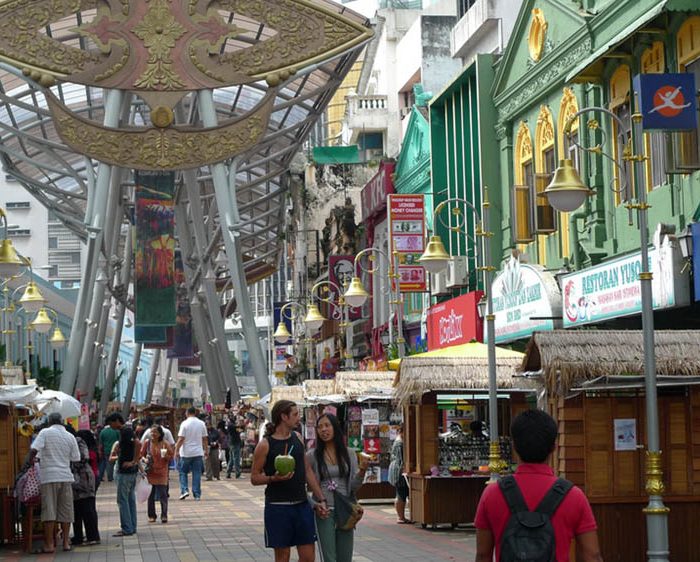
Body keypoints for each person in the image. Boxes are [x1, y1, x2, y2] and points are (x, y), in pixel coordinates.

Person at [474, 409, 603, 562]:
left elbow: (483, 555)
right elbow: (592, 555)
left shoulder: (492, 494)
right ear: (554, 448)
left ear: (514, 446)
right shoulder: (574, 496)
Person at [250, 400, 328, 562]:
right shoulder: (265, 445)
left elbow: (307, 470)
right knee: (283, 556)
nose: (298, 418)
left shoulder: (298, 438)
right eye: (295, 414)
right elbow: (254, 477)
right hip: (278, 507)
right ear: (283, 417)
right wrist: (273, 478)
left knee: (308, 557)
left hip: (301, 505)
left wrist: (321, 499)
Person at [307, 413, 368, 562]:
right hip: (324, 511)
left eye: (327, 425)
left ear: (335, 428)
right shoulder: (312, 455)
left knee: (345, 557)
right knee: (329, 558)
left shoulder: (349, 454)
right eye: (320, 427)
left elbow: (353, 487)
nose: (323, 430)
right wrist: (314, 505)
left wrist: (362, 471)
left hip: (346, 510)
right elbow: (303, 487)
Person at [28, 413, 81, 553]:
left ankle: (50, 545)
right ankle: (65, 543)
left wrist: (28, 462)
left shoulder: (45, 433)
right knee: (66, 510)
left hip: (49, 477)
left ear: (50, 422)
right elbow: (76, 458)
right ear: (62, 422)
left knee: (49, 511)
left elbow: (34, 450)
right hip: (65, 476)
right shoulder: (70, 436)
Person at [110, 426, 141, 537]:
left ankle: (127, 528)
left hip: (124, 474)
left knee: (123, 501)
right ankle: (132, 526)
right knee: (130, 500)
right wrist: (134, 462)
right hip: (132, 473)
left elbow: (111, 458)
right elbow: (138, 444)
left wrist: (132, 462)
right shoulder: (132, 443)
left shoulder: (124, 444)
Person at [71, 429, 100, 546]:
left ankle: (92, 536)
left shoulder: (83, 446)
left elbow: (82, 460)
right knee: (78, 509)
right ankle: (78, 536)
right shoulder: (89, 447)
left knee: (87, 509)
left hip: (85, 480)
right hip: (82, 479)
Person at [141, 425, 173, 523]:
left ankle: (164, 515)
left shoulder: (165, 444)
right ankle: (152, 515)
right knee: (150, 495)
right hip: (151, 471)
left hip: (162, 472)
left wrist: (165, 456)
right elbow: (141, 455)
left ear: (160, 434)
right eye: (151, 432)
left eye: (155, 432)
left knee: (163, 494)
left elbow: (171, 457)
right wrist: (145, 459)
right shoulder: (147, 443)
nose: (153, 434)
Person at [175, 406, 208, 500]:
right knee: (197, 473)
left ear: (187, 413)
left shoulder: (184, 424)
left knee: (183, 472)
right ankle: (197, 494)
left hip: (186, 453)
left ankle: (184, 490)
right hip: (198, 452)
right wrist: (206, 450)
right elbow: (205, 438)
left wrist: (176, 450)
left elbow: (181, 438)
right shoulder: (201, 423)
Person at [388, 424, 410, 523]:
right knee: (401, 493)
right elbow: (401, 460)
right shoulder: (400, 443)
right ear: (402, 432)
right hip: (399, 470)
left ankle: (401, 517)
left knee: (400, 493)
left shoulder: (398, 441)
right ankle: (401, 517)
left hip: (396, 469)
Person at [98, 413, 122, 485]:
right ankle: (112, 477)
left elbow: (100, 443)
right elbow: (119, 440)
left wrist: (100, 451)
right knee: (115, 463)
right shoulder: (116, 431)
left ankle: (109, 477)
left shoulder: (102, 432)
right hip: (116, 450)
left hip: (106, 450)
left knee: (108, 464)